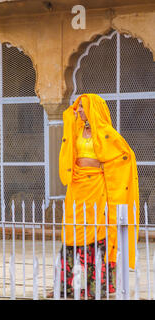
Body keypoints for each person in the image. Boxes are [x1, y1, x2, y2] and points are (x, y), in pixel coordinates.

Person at [57, 94, 139, 298]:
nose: (80, 110)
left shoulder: (106, 133)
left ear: (94, 110)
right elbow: (69, 147)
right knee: (71, 233)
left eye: (83, 107)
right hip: (77, 186)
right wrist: (72, 115)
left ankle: (95, 287)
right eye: (79, 107)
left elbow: (125, 157)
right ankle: (68, 286)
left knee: (95, 234)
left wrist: (105, 167)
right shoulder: (77, 129)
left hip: (97, 187)